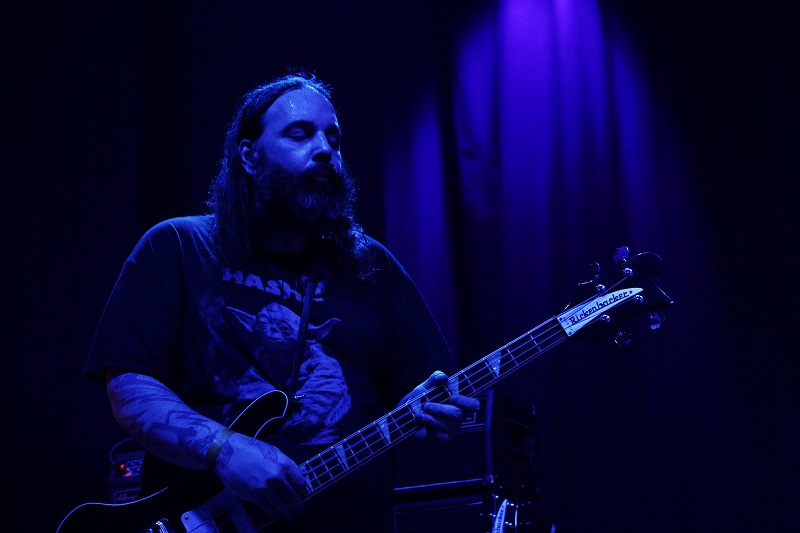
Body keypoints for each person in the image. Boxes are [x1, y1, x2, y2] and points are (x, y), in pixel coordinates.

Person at [84, 71, 480, 532]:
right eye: (300, 133)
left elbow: (424, 396)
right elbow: (129, 387)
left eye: (334, 138)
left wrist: (431, 413)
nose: (325, 149)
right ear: (249, 156)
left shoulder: (373, 269)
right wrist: (225, 450)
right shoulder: (177, 247)